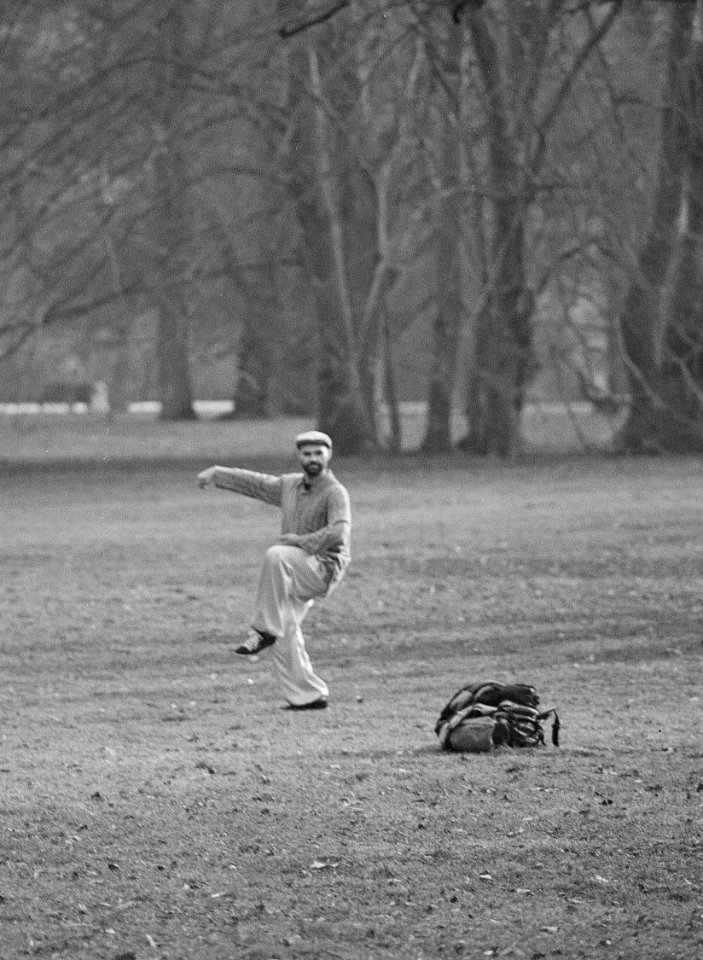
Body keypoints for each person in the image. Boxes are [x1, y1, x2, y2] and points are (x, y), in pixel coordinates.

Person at [196, 430, 351, 711]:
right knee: (285, 630)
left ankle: (262, 630)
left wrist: (301, 541)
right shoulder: (290, 486)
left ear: (329, 455)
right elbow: (256, 483)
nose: (313, 458)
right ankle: (308, 695)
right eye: (307, 453)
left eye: (319, 453)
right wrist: (217, 474)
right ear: (299, 456)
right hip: (292, 571)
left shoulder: (335, 492)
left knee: (276, 555)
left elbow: (339, 531)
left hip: (322, 568)